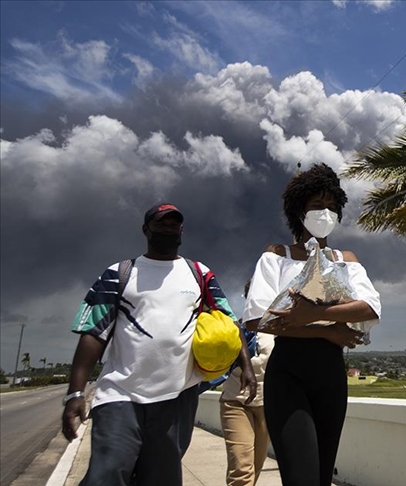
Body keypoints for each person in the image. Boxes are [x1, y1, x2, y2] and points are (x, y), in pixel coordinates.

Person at [62, 203, 257, 486]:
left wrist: (245, 366)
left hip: (177, 397)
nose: (168, 228)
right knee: (107, 473)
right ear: (146, 229)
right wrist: (75, 393)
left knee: (160, 479)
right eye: (161, 223)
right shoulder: (119, 273)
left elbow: (230, 324)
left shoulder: (199, 273)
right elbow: (93, 334)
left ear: (181, 231)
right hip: (121, 393)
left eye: (174, 224)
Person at [243, 163, 381, 486]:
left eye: (332, 207)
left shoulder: (345, 260)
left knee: (320, 478)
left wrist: (309, 315)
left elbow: (370, 306)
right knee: (301, 478)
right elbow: (255, 317)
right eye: (317, 206)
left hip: (331, 379)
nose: (325, 213)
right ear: (299, 211)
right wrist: (325, 329)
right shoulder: (276, 257)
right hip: (288, 374)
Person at [220, 281, 275, 486]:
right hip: (236, 401)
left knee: (256, 466)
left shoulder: (284, 331)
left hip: (267, 405)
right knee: (242, 469)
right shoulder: (239, 329)